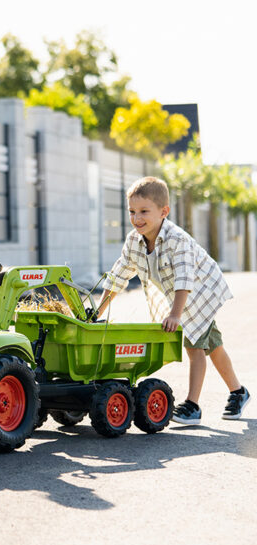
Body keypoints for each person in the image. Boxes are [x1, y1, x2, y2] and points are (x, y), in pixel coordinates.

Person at [97, 176, 250, 425]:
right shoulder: (134, 241)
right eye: (132, 212)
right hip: (181, 296)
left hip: (200, 292)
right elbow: (117, 277)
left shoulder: (177, 240)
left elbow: (185, 280)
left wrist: (176, 315)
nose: (137, 218)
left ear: (164, 211)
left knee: (194, 344)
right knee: (212, 345)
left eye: (144, 211)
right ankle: (238, 391)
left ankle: (193, 406)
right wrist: (96, 312)